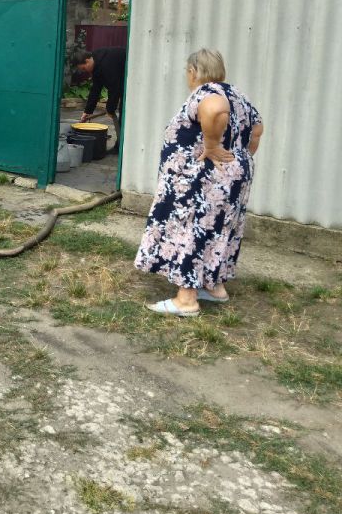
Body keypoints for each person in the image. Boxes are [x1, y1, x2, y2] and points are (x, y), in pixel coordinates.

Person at [136, 49, 263, 316]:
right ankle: (215, 288)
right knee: (219, 228)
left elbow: (215, 109)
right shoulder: (237, 94)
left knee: (191, 228)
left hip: (203, 179)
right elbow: (257, 129)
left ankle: (186, 300)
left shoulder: (208, 94)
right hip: (231, 177)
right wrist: (239, 158)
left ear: (193, 71)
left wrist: (213, 145)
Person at [71, 47, 127, 154]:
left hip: (132, 80)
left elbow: (115, 87)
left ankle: (122, 148)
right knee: (121, 115)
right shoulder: (96, 62)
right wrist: (87, 111)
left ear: (87, 61)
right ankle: (119, 147)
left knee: (124, 115)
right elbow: (95, 89)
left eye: (83, 68)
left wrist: (110, 108)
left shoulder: (106, 64)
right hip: (121, 82)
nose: (84, 71)